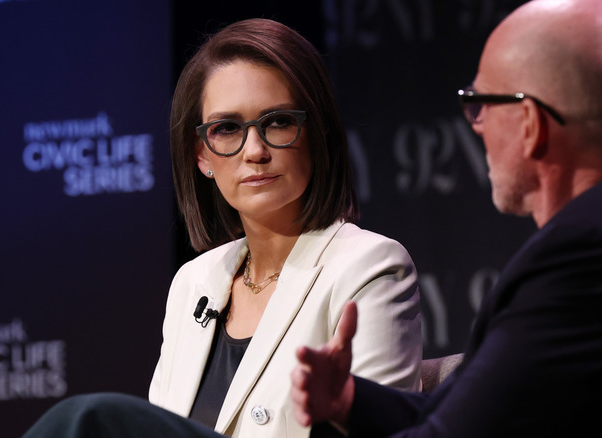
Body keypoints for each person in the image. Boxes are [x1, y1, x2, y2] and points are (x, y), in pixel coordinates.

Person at [22, 18, 422, 438]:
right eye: (227, 129)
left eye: (278, 121)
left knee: (88, 420)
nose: (255, 151)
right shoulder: (193, 282)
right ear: (203, 157)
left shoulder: (369, 267)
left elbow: (383, 428)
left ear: (317, 131)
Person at [290, 1, 602, 437]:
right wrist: (349, 401)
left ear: (530, 123)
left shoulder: (587, 261)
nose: (477, 125)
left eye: (481, 103)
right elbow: (465, 415)